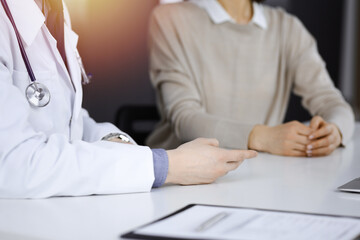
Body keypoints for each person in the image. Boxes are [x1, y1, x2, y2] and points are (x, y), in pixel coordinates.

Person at [0, 0, 257, 199]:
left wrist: (115, 141)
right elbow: (13, 164)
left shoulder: (54, 9)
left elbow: (68, 119)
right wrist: (165, 166)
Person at [146, 0, 355, 157]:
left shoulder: (287, 28)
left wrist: (334, 131)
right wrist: (263, 137)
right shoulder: (170, 18)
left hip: (257, 172)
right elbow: (185, 119)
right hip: (182, 176)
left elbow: (331, 101)